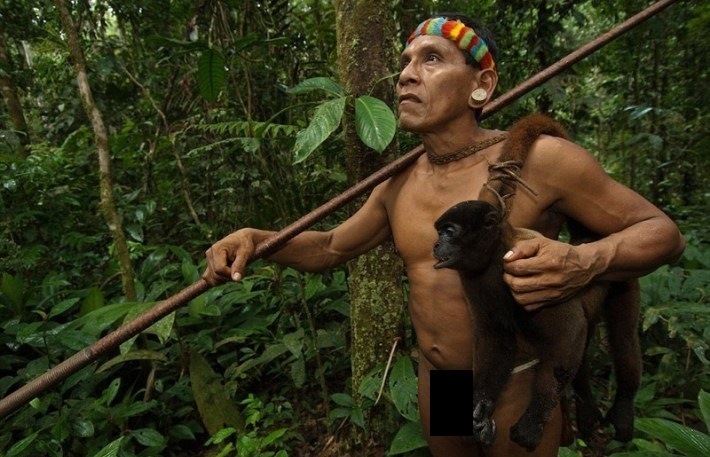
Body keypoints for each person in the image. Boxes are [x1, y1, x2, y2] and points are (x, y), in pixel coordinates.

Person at [203, 14, 685, 457]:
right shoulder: (397, 183)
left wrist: (587, 260)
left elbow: (661, 233)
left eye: (432, 59)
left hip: (515, 382)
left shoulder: (542, 161)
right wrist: (255, 239)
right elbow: (330, 247)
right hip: (443, 388)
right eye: (406, 62)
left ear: (483, 85)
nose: (407, 75)